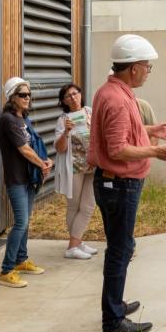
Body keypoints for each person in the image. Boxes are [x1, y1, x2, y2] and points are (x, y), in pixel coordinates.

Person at [90, 34, 166, 332]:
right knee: (120, 249)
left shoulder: (115, 91)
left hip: (119, 184)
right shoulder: (116, 99)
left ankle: (115, 304)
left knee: (120, 247)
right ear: (134, 68)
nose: (148, 72)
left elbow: (125, 132)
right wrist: (155, 150)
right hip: (119, 185)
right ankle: (112, 321)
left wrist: (150, 130)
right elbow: (116, 149)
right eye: (147, 67)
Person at [0, 77, 54, 288]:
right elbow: (24, 149)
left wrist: (45, 160)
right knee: (20, 222)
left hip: (29, 177)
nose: (27, 98)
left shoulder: (23, 119)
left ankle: (21, 259)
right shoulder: (8, 120)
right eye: (22, 94)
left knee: (26, 220)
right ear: (12, 97)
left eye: (29, 94)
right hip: (17, 179)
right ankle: (6, 270)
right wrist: (42, 164)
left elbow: (34, 145)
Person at [53, 82, 99, 260]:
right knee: (74, 206)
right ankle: (73, 246)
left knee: (88, 206)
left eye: (75, 93)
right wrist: (66, 132)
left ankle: (76, 242)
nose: (73, 97)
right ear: (64, 101)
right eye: (68, 96)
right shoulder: (63, 120)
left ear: (80, 94)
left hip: (93, 165)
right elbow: (60, 148)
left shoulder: (90, 112)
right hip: (74, 167)